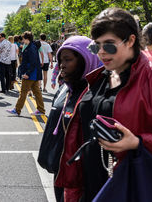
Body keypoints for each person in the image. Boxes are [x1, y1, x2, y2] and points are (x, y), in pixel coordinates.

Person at [55, 8, 152, 201]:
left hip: (131, 188)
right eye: (97, 46)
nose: (102, 53)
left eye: (109, 45)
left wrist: (138, 142)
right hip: (91, 187)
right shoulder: (98, 78)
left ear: (130, 41)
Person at [38, 36, 101, 202]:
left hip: (83, 180)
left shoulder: (96, 96)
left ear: (85, 60)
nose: (61, 65)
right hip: (61, 172)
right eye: (60, 60)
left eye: (68, 59)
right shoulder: (64, 89)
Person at [7, 31, 45, 116]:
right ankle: (41, 109)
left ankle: (17, 110)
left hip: (30, 74)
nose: (22, 40)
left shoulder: (31, 47)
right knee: (36, 92)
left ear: (27, 39)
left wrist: (27, 73)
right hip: (33, 73)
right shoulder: (32, 46)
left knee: (23, 92)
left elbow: (33, 62)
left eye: (23, 39)